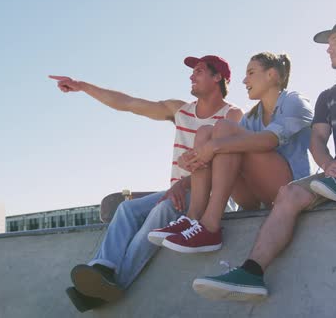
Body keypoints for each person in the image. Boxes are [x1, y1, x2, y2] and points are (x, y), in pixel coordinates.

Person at [191, 17, 336, 301]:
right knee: (289, 194)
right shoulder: (329, 96)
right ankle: (251, 272)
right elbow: (316, 140)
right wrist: (326, 165)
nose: (328, 49)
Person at [49, 55, 243, 312]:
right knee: (127, 209)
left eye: (198, 71)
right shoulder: (180, 110)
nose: (191, 76)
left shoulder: (232, 114)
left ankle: (116, 284)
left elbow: (227, 162)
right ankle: (103, 268)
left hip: (211, 198)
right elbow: (129, 104)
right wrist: (83, 86)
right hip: (179, 193)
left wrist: (182, 185)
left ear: (218, 77)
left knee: (162, 210)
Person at [148, 52, 315, 254]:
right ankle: (193, 218)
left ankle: (210, 226)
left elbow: (268, 141)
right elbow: (226, 151)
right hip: (255, 197)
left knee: (224, 132)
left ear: (271, 75)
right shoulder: (253, 115)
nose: (245, 80)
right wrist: (191, 166)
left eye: (251, 73)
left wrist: (214, 147)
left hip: (291, 191)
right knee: (205, 132)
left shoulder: (294, 101)